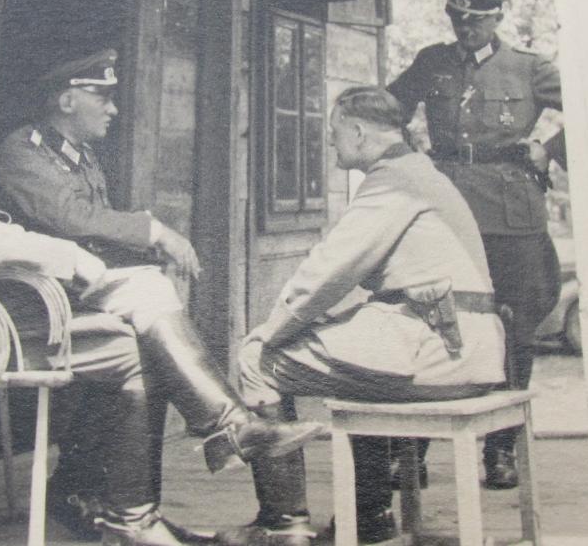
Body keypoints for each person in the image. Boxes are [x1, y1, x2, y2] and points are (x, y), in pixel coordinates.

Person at [0, 47, 323, 546]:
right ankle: (177, 476)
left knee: (139, 331)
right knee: (143, 311)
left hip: (6, 309)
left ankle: (148, 501)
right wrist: (72, 259)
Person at [216, 86, 506, 545]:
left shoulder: (393, 181)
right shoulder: (416, 171)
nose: (331, 142)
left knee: (257, 359)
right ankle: (367, 518)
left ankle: (282, 523)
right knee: (359, 360)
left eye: (334, 133)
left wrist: (269, 334)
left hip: (436, 348)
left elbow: (329, 271)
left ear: (357, 131)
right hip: (463, 346)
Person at [386, 0, 564, 490]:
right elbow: (383, 111)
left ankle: (501, 449)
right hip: (443, 208)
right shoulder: (431, 62)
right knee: (425, 316)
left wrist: (548, 150)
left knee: (515, 326)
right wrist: (405, 159)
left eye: (476, 19)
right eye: (457, 18)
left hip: (510, 216)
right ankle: (410, 451)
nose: (465, 27)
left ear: (497, 18)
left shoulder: (531, 68)